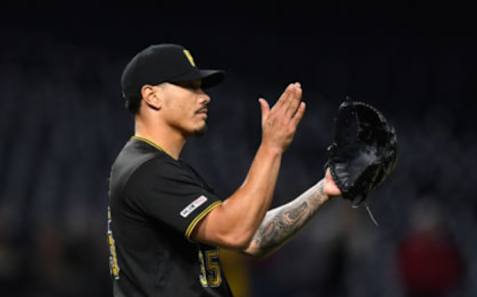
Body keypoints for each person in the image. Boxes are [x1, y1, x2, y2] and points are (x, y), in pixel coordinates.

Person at [107, 43, 341, 297]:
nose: (204, 96)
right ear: (152, 96)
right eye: (189, 86)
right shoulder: (146, 170)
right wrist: (271, 147)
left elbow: (252, 238)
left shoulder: (157, 168)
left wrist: (324, 189)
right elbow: (235, 232)